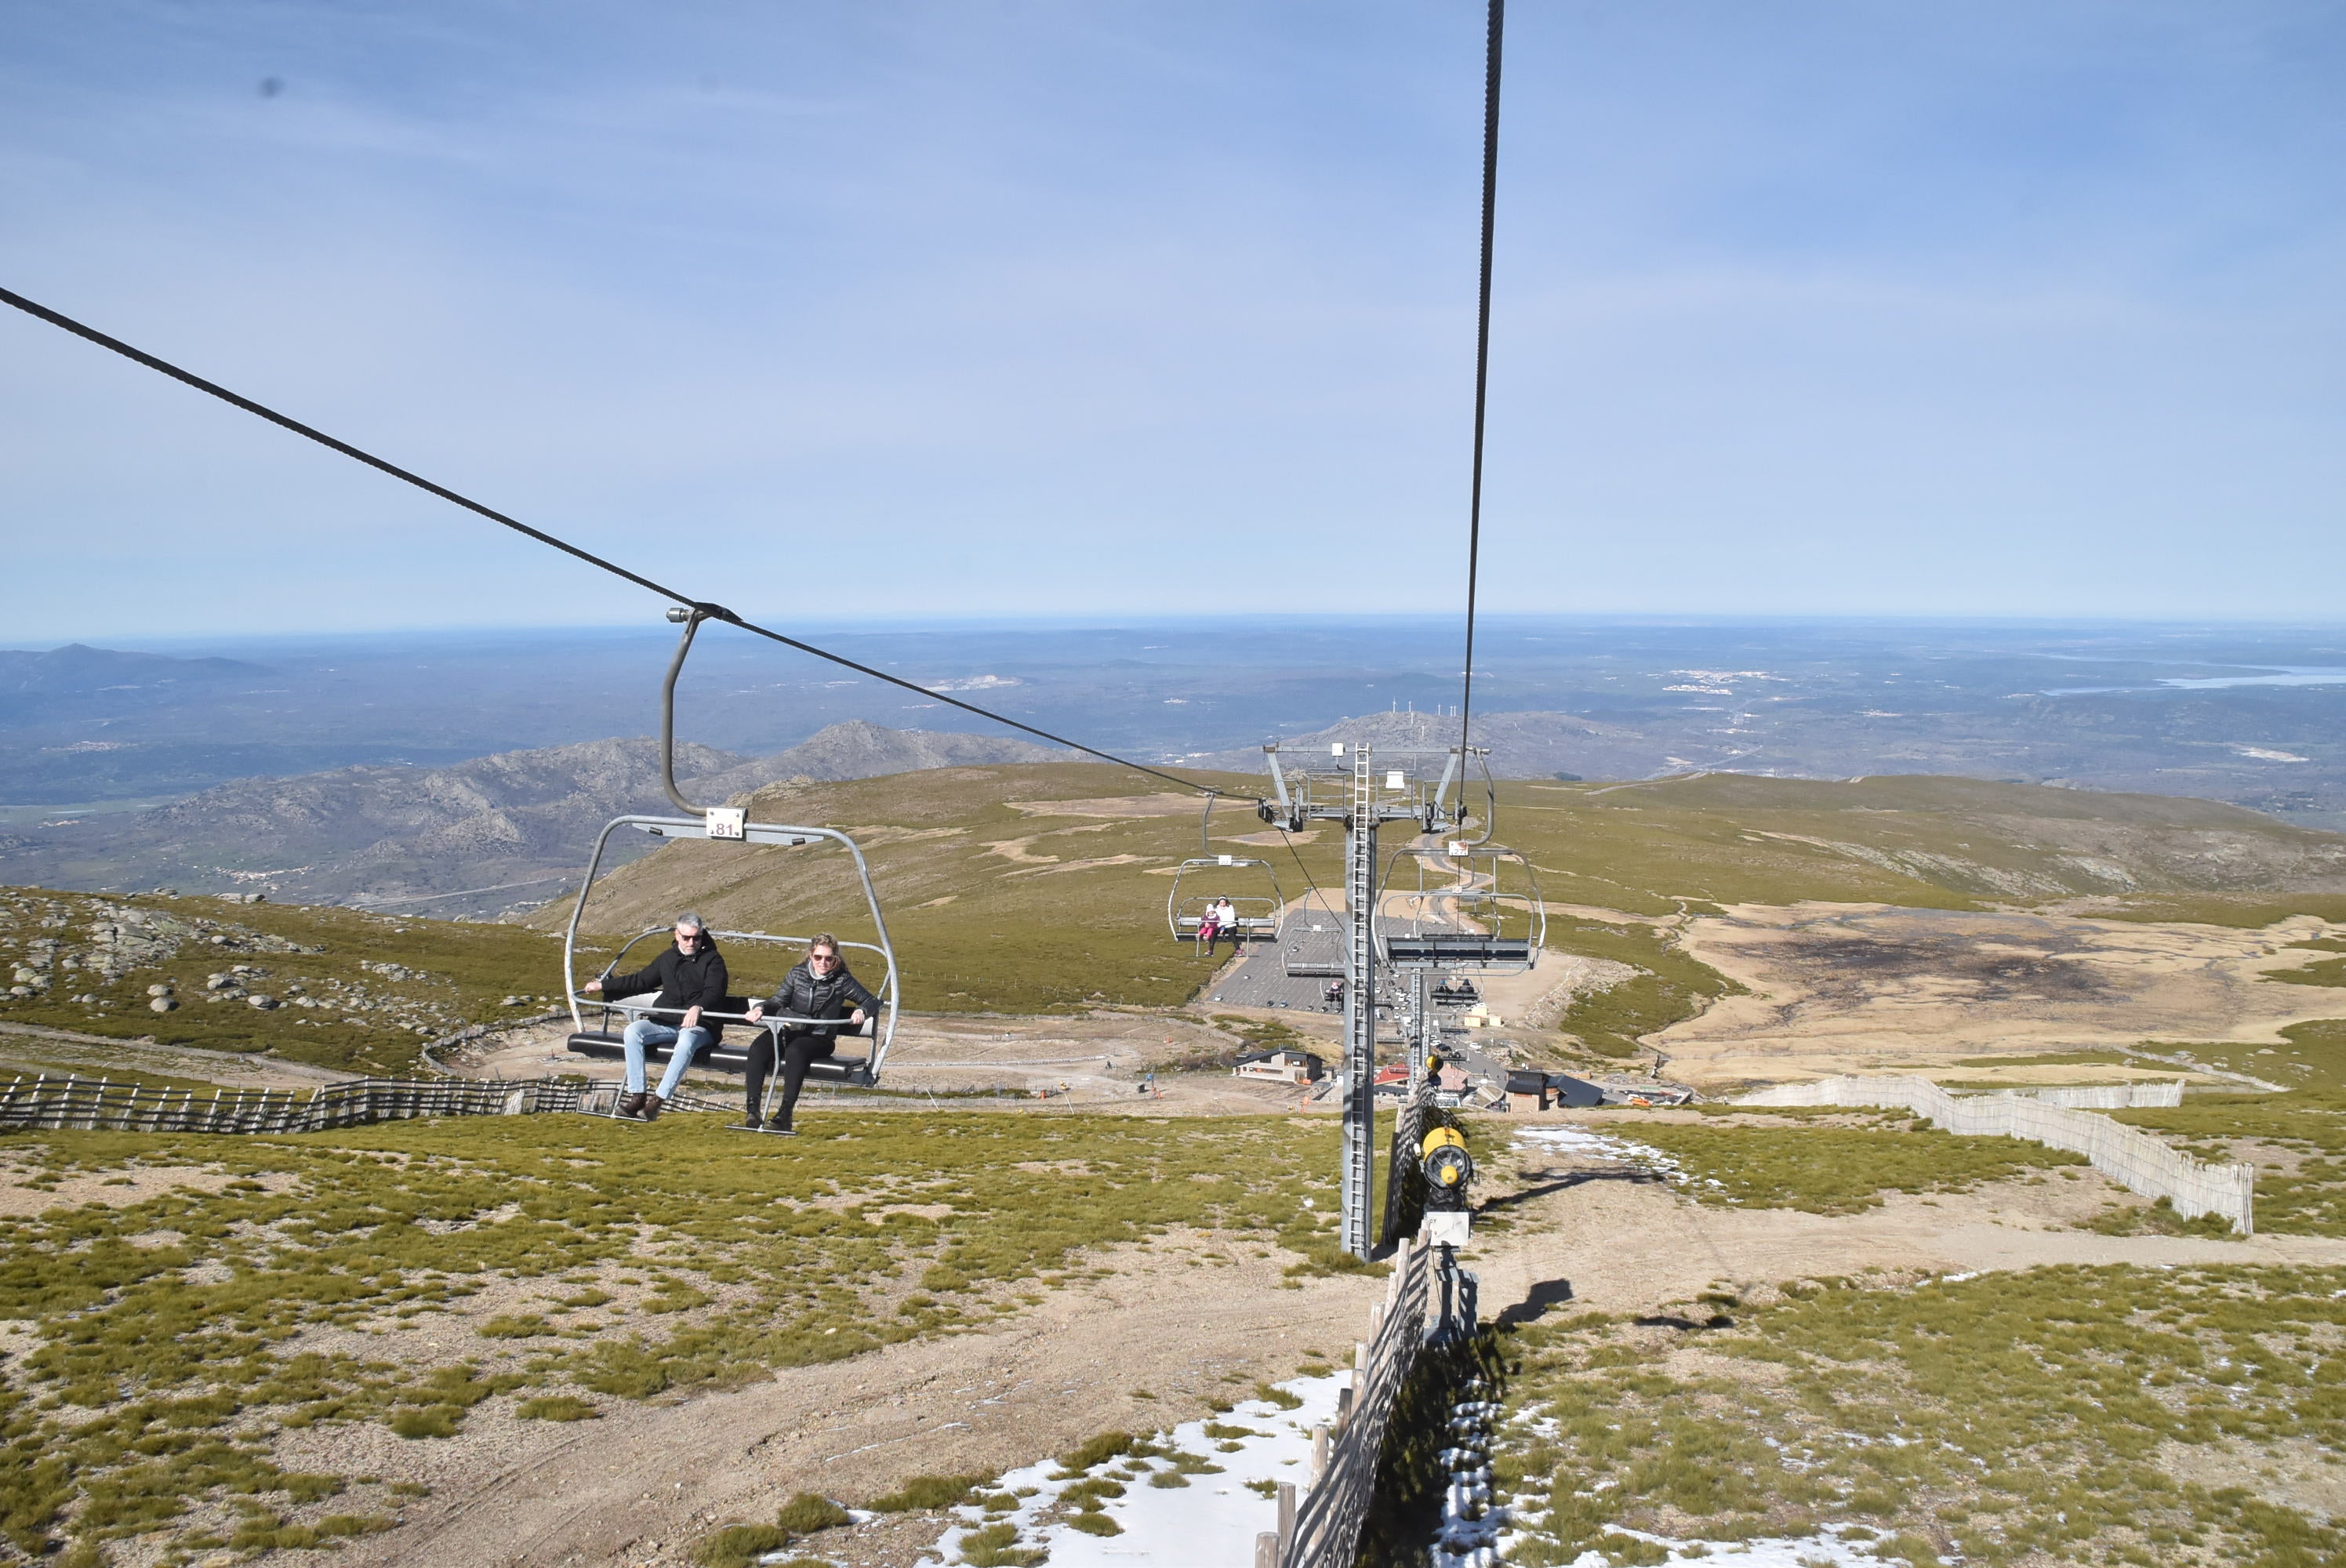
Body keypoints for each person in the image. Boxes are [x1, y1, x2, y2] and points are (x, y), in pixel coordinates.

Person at [583, 913, 728, 1122]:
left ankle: (657, 1101)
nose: (691, 942)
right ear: (677, 935)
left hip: (701, 1025)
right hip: (668, 1022)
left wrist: (698, 1007)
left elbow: (715, 991)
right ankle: (638, 1095)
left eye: (696, 938)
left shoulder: (713, 961)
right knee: (634, 1031)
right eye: (686, 938)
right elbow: (641, 981)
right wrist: (603, 985)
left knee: (686, 1041)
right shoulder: (668, 959)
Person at [743, 933, 877, 1134]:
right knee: (758, 1048)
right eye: (818, 957)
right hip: (790, 1030)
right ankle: (752, 1110)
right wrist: (761, 1009)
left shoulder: (842, 981)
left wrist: (861, 1011)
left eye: (829, 958)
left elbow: (871, 1001)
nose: (823, 962)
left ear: (835, 959)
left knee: (796, 1052)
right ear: (811, 956)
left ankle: (785, 1113)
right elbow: (778, 1001)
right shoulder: (798, 974)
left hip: (819, 1038)